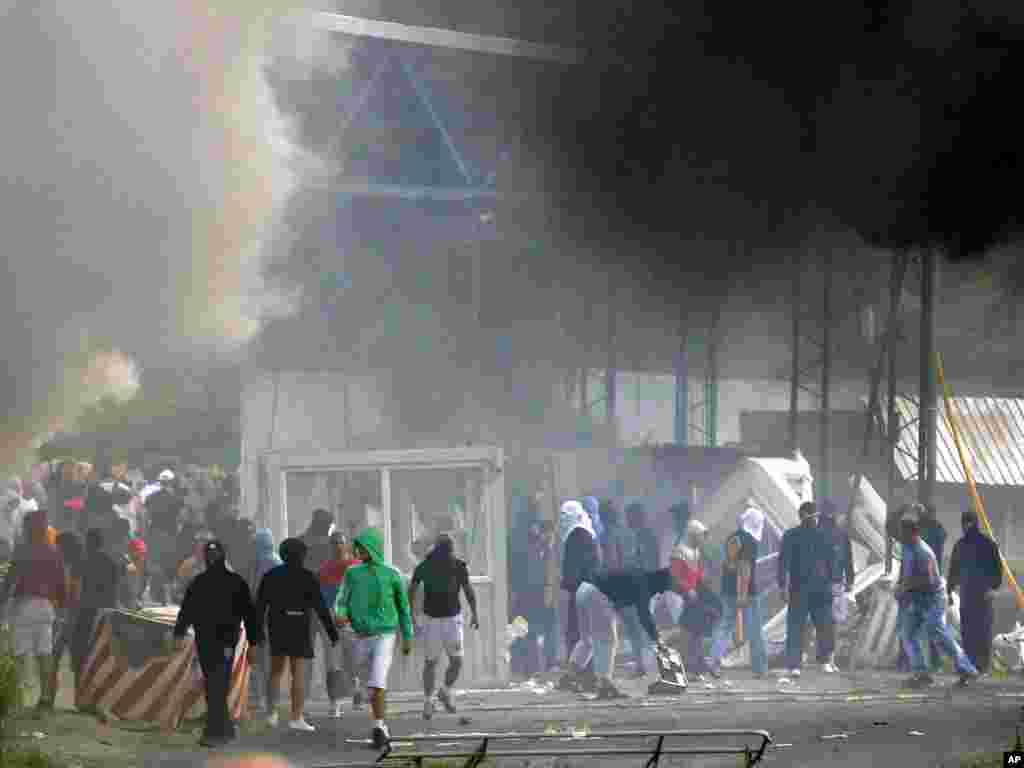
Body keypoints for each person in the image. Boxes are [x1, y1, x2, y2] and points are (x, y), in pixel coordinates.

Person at [173, 540, 261, 748]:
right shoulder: (233, 582)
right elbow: (187, 611)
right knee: (216, 685)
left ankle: (215, 732)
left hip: (214, 643)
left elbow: (249, 615)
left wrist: (255, 643)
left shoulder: (202, 582)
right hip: (218, 643)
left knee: (215, 685)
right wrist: (255, 642)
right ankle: (223, 729)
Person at [334, 527, 414, 751]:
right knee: (368, 681)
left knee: (378, 681)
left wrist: (407, 636)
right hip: (360, 636)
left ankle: (379, 726)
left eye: (363, 546)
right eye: (357, 546)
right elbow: (342, 598)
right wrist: (340, 614)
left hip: (385, 635)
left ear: (374, 547)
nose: (358, 550)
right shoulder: (352, 573)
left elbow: (404, 608)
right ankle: (380, 724)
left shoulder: (392, 574)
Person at [255, 537, 339, 732]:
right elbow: (321, 607)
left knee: (275, 671)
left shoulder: (271, 576)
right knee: (298, 673)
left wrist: (257, 631)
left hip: (277, 626)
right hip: (300, 627)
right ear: (302, 555)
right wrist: (332, 633)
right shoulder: (309, 577)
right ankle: (296, 717)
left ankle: (271, 714)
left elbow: (260, 606)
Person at [896, 505, 978, 688]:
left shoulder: (923, 552)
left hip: (933, 597)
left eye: (902, 533)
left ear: (912, 534)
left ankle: (967, 669)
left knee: (937, 632)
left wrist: (904, 588)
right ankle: (922, 674)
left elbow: (930, 581)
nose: (899, 536)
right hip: (917, 596)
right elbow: (907, 573)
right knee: (907, 632)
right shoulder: (908, 547)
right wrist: (902, 585)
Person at [0, 508, 66, 713]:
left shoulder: (22, 550)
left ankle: (21, 698)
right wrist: (62, 609)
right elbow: (60, 584)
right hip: (46, 608)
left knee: (21, 654)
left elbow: (11, 580)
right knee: (44, 654)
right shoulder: (54, 552)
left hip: (23, 606)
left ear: (29, 528)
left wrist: (2, 600)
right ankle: (45, 698)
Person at [409, 533, 479, 720]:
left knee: (457, 661)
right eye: (444, 549)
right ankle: (428, 701)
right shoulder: (425, 566)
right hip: (431, 619)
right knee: (431, 662)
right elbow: (412, 589)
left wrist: (475, 613)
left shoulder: (458, 566)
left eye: (449, 550)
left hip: (452, 619)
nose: (447, 553)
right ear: (437, 549)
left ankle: (445, 690)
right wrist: (411, 614)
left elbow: (468, 590)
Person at [708, 503, 768, 679]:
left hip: (727, 590)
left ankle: (714, 661)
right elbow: (745, 568)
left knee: (725, 626)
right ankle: (760, 668)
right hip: (746, 593)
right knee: (755, 630)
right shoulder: (750, 542)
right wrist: (742, 593)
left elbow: (728, 564)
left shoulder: (732, 538)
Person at [778, 501, 834, 677]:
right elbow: (783, 564)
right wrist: (783, 586)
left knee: (810, 625)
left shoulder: (795, 535)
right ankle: (810, 663)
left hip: (810, 588)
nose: (816, 519)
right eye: (814, 516)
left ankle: (807, 663)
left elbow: (831, 562)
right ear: (805, 516)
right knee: (812, 625)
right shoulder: (816, 535)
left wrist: (782, 586)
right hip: (809, 588)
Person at [947, 508, 1002, 675]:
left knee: (970, 630)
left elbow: (953, 570)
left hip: (971, 594)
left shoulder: (961, 545)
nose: (964, 527)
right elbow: (997, 568)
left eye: (964, 524)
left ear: (967, 523)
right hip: (981, 594)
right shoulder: (988, 543)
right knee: (981, 630)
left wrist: (950, 589)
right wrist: (994, 587)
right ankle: (979, 666)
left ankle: (972, 664)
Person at [70, 528, 123, 692]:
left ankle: (80, 692)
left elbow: (75, 588)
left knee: (81, 651)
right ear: (102, 542)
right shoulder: (112, 562)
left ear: (88, 542)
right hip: (106, 612)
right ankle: (99, 693)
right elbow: (116, 589)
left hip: (86, 610)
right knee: (102, 653)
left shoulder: (82, 560)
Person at [318, 530, 361, 718]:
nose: (337, 546)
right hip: (330, 620)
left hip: (352, 619)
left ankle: (356, 687)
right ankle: (334, 704)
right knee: (332, 664)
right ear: (330, 546)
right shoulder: (323, 570)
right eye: (334, 543)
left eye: (340, 542)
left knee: (353, 660)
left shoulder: (356, 566)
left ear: (346, 545)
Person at [673, 520, 722, 682]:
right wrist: (687, 589)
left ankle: (697, 667)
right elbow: (675, 576)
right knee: (689, 634)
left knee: (696, 632)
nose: (703, 539)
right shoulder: (680, 551)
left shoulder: (696, 552)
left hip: (694, 596)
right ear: (693, 535)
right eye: (701, 535)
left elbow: (698, 575)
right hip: (682, 596)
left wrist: (703, 587)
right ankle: (690, 668)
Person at [301, 508, 337, 699]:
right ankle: (334, 701)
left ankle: (303, 698)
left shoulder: (299, 542)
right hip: (327, 605)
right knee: (331, 654)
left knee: (306, 654)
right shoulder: (332, 546)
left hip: (304, 605)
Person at [559, 501, 601, 663]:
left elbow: (574, 568)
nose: (562, 519)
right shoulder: (585, 533)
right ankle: (582, 674)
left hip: (580, 591)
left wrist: (566, 586)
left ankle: (579, 674)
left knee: (577, 634)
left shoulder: (576, 535)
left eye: (565, 515)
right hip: (587, 590)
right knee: (583, 635)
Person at [246, 528, 282, 717]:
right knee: (261, 661)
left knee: (265, 661)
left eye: (254, 544)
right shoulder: (266, 560)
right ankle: (264, 702)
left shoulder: (269, 562)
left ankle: (269, 704)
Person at [819, 501, 855, 670]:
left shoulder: (816, 533)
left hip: (821, 583)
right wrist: (850, 580)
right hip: (835, 582)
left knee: (823, 621)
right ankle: (829, 659)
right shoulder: (841, 534)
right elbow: (848, 560)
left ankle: (825, 659)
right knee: (832, 622)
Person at [50, 530, 84, 705]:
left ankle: (75, 698)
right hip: (66, 616)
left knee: (63, 658)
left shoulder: (75, 565)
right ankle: (76, 698)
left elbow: (75, 593)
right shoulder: (66, 564)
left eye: (58, 546)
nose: (56, 549)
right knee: (60, 658)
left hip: (69, 616)